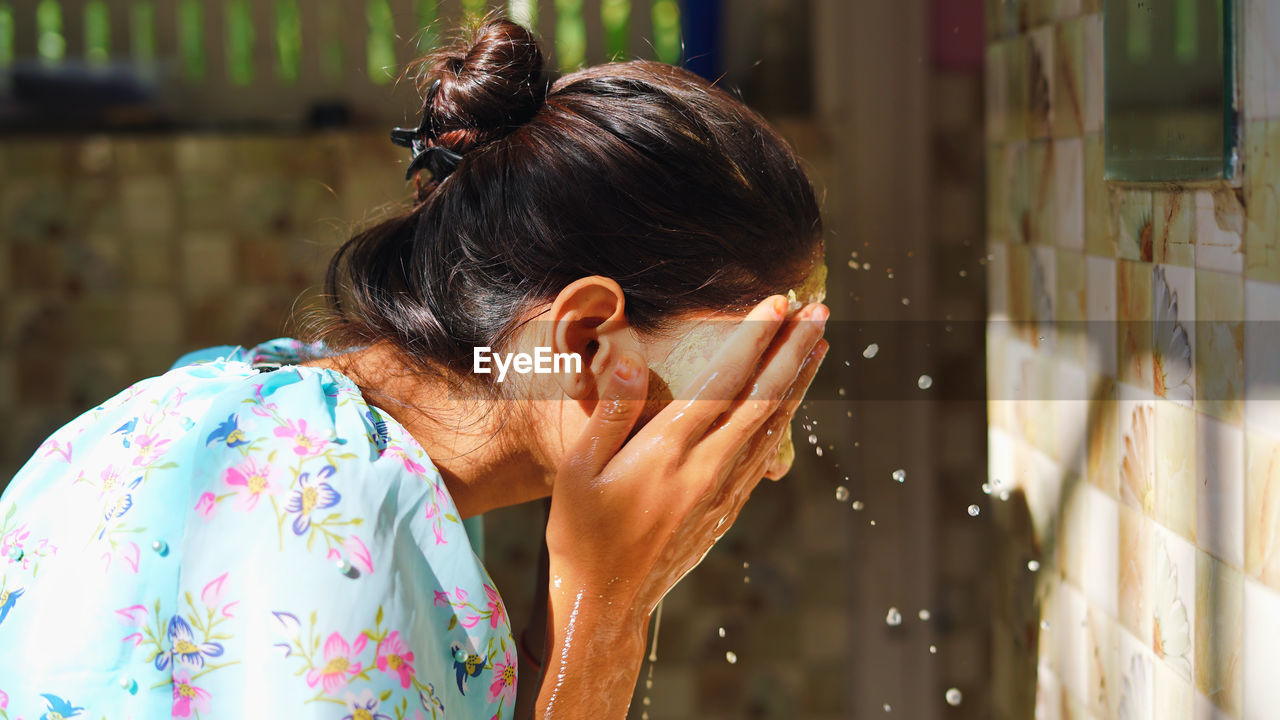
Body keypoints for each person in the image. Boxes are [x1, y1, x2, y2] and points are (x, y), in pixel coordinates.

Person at [0, 12, 828, 719]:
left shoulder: (273, 420)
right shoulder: (321, 542)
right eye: (754, 383)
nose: (775, 456)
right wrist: (605, 615)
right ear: (582, 343)